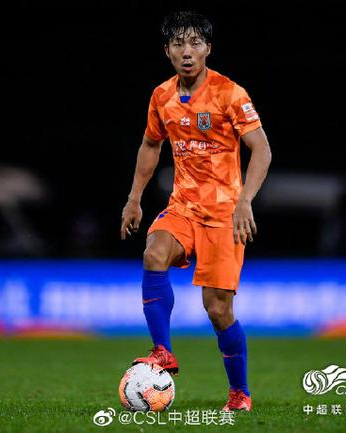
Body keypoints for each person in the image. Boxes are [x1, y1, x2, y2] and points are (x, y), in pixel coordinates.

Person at [120, 11, 271, 412]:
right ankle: (163, 350)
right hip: (183, 207)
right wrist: (134, 197)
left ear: (208, 49)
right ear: (167, 51)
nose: (187, 52)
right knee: (154, 253)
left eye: (195, 44)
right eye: (178, 44)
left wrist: (245, 201)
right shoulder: (161, 96)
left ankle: (239, 393)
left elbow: (262, 149)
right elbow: (150, 145)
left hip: (224, 215)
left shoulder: (229, 93)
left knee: (218, 310)